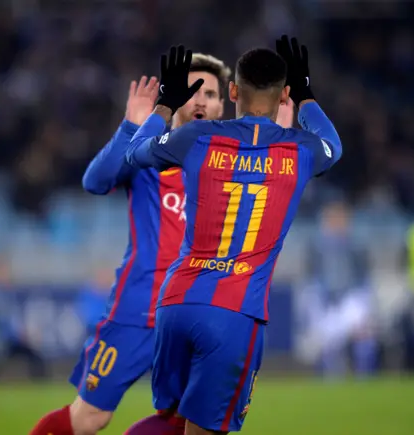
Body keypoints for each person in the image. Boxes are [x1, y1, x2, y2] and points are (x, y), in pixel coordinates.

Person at [125, 36, 342, 434]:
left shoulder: (197, 137)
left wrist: (165, 105)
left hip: (176, 303)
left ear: (233, 90)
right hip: (233, 314)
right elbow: (335, 146)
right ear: (283, 97)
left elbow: (133, 153)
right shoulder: (301, 150)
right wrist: (307, 95)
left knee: (173, 421)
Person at [29, 54, 235, 435]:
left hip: (198, 314)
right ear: (175, 99)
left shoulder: (233, 163)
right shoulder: (149, 152)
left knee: (193, 422)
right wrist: (131, 124)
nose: (202, 100)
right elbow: (95, 181)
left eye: (211, 93)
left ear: (223, 103)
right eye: (192, 91)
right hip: (142, 308)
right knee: (91, 416)